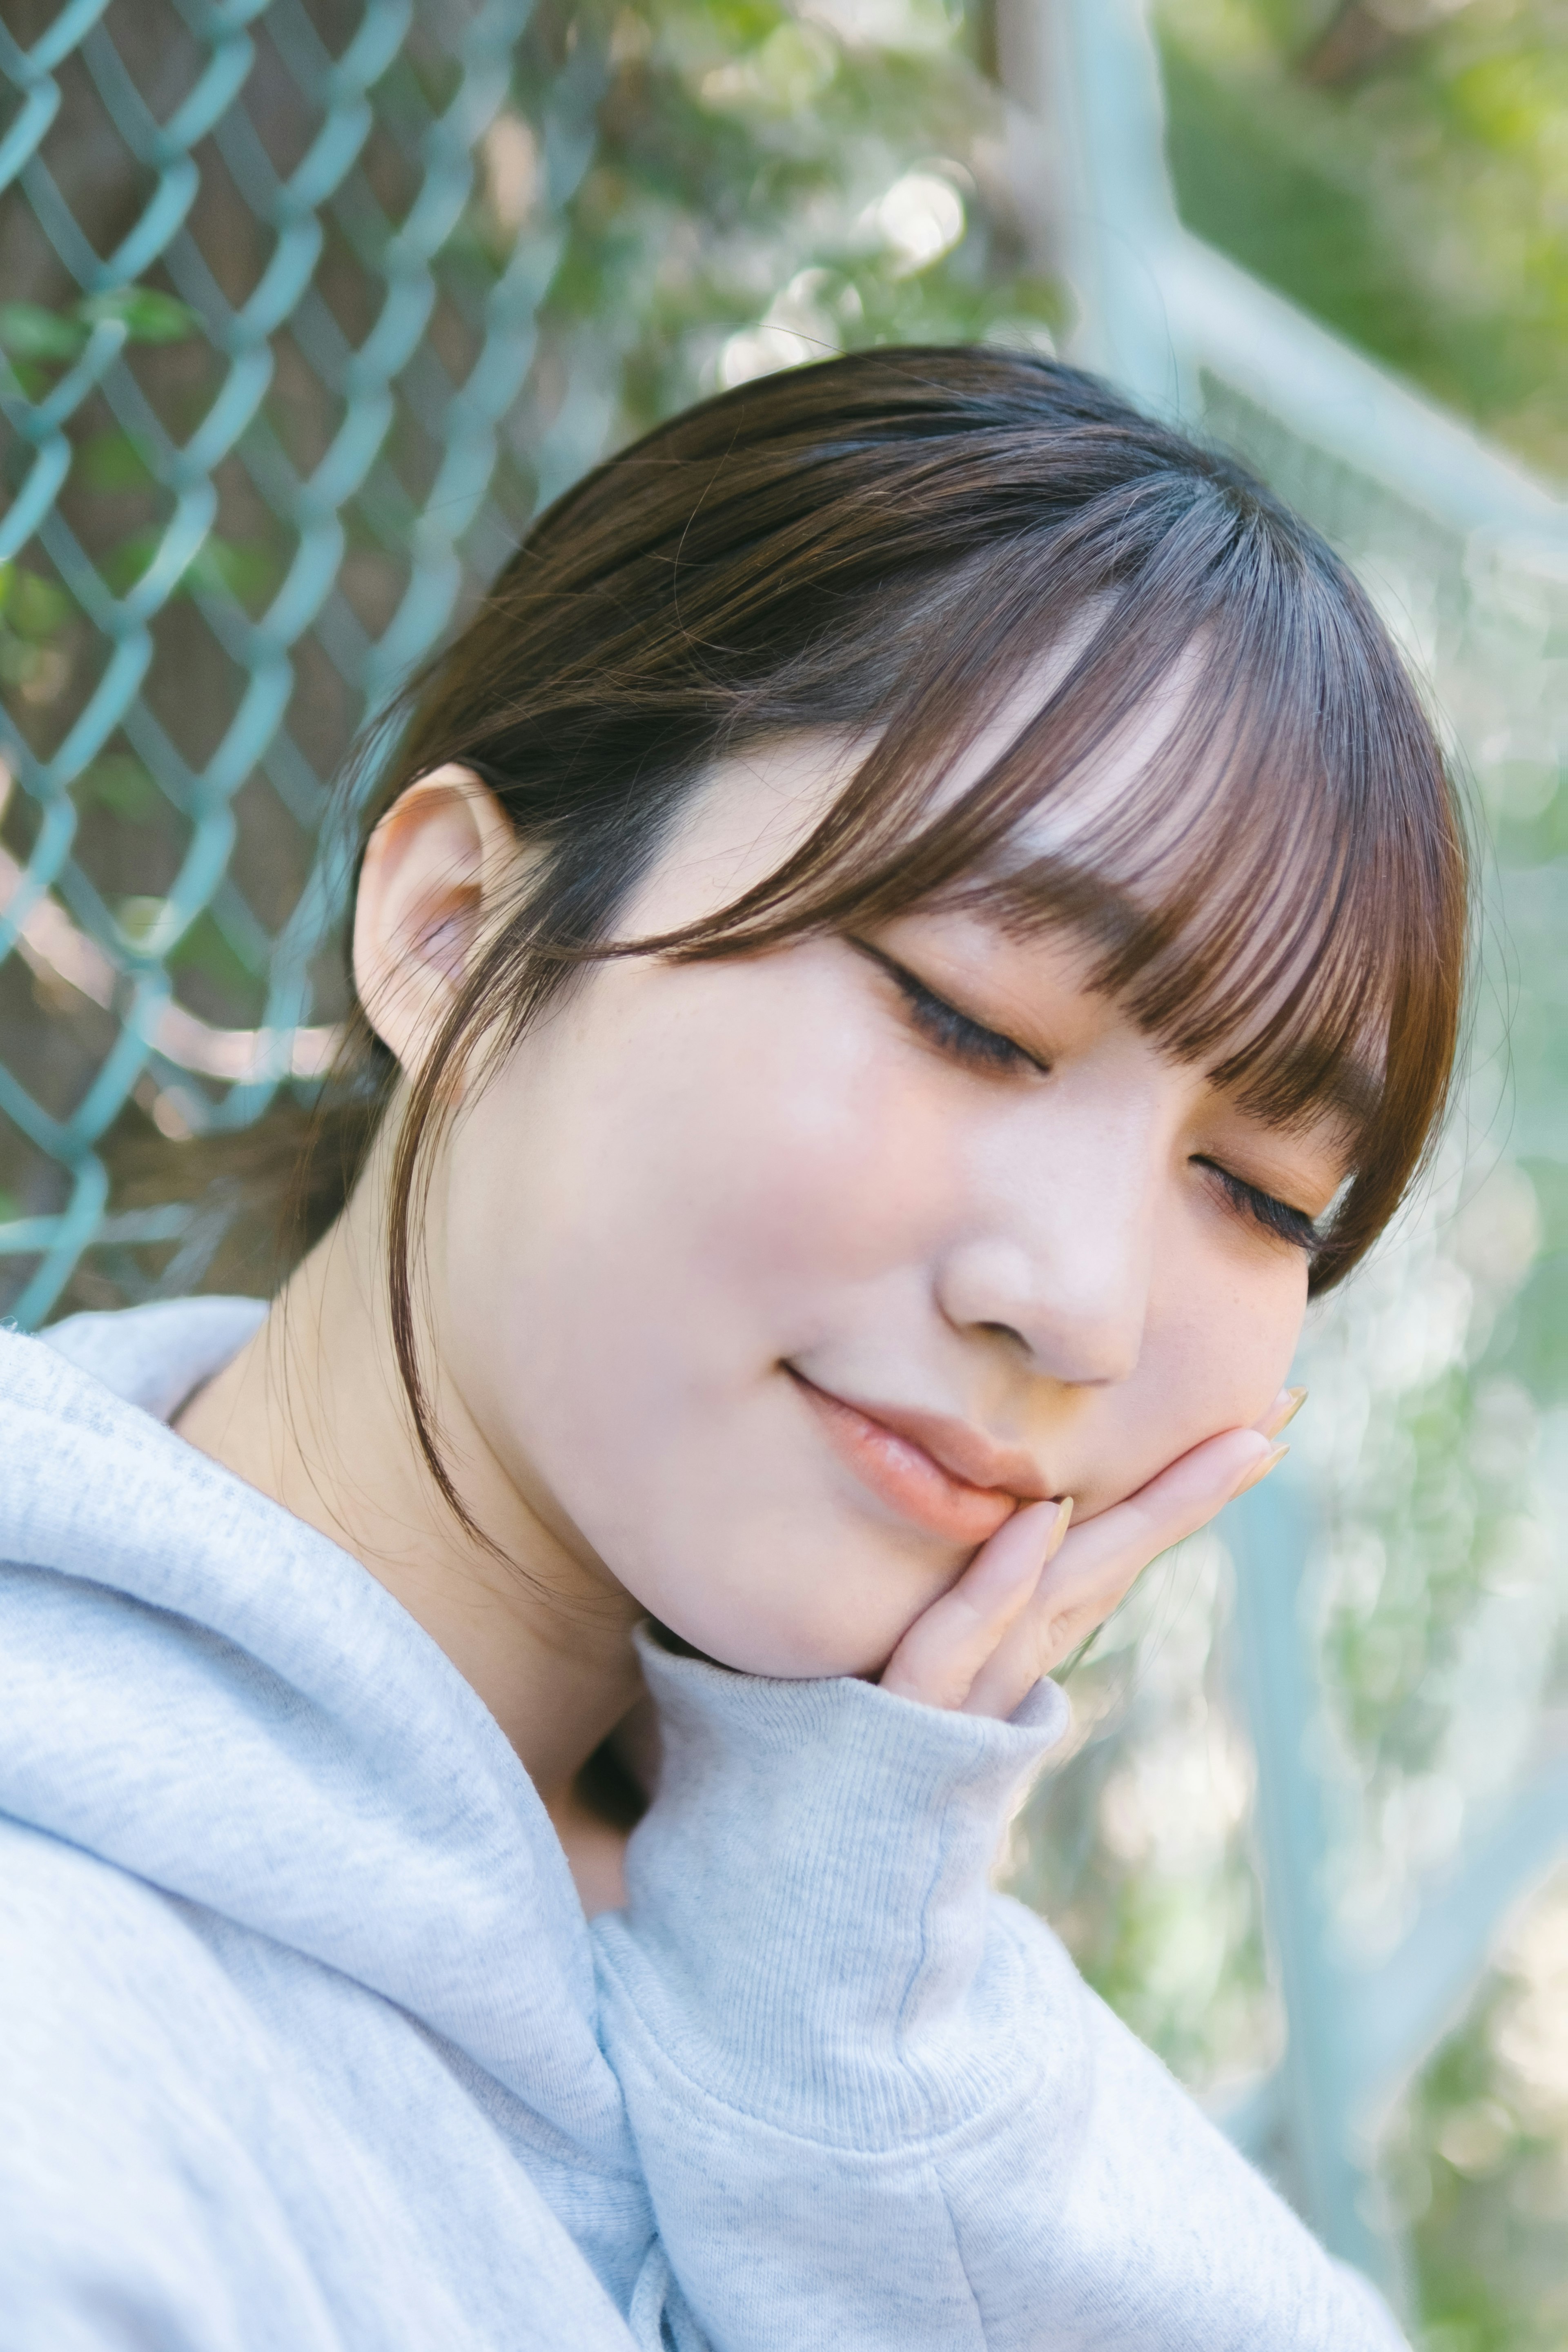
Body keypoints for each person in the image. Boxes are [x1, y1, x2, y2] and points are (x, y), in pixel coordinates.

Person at [0, 348, 1464, 2350]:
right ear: (451, 929)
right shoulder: (68, 2077)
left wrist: (852, 2051)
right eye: (969, 1018)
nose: (1088, 1305)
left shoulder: (860, 1966)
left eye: (1265, 1196)